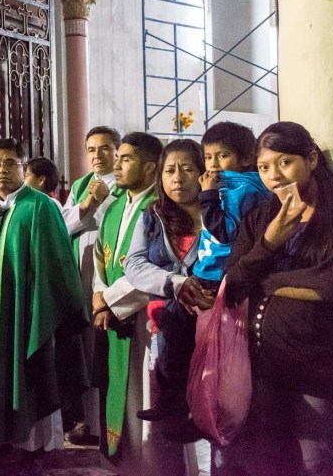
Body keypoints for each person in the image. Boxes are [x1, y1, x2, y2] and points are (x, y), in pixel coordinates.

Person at [0, 137, 85, 474]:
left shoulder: (41, 206)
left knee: (28, 376)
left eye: (10, 163)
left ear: (24, 167)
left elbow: (55, 266)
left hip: (25, 313)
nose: (2, 170)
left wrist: (42, 308)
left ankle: (34, 449)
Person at [214, 122, 333, 476]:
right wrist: (269, 242)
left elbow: (329, 284)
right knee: (270, 462)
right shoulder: (262, 218)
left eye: (285, 163)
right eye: (264, 167)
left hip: (320, 370)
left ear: (311, 159)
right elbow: (232, 285)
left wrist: (264, 282)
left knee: (317, 463)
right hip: (262, 369)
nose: (274, 176)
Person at [122, 140, 209, 444]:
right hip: (169, 317)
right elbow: (133, 263)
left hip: (214, 311)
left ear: (203, 172)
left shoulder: (221, 213)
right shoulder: (152, 217)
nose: (178, 178)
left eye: (187, 169)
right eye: (170, 170)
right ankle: (173, 403)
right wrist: (175, 282)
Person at [91, 132, 161, 474]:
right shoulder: (116, 205)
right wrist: (98, 293)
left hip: (144, 322)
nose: (116, 165)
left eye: (126, 159)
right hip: (114, 316)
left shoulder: (161, 207)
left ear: (150, 167)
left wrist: (108, 300)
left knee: (146, 404)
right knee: (121, 397)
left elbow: (155, 267)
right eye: (117, 158)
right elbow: (98, 256)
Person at [60, 126, 123, 441]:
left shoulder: (127, 184)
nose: (97, 155)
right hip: (82, 271)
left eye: (105, 148)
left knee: (108, 347)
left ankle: (113, 421)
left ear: (117, 150)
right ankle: (87, 422)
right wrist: (86, 205)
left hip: (111, 276)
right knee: (85, 347)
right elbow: (61, 225)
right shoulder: (82, 185)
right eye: (92, 149)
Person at [190, 122, 272, 294]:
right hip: (213, 268)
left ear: (246, 159)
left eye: (222, 156)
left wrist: (208, 196)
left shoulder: (239, 190)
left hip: (218, 271)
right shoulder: (231, 184)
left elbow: (225, 233)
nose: (213, 164)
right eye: (208, 157)